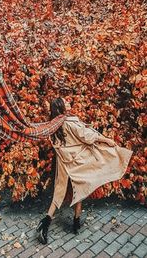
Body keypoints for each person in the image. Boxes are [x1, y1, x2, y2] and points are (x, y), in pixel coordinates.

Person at [37, 97, 133, 244]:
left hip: (63, 164)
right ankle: (75, 223)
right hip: (77, 162)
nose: (69, 102)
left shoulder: (54, 125)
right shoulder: (69, 122)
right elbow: (87, 137)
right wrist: (107, 140)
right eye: (65, 102)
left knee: (59, 193)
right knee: (80, 190)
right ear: (61, 107)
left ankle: (45, 224)